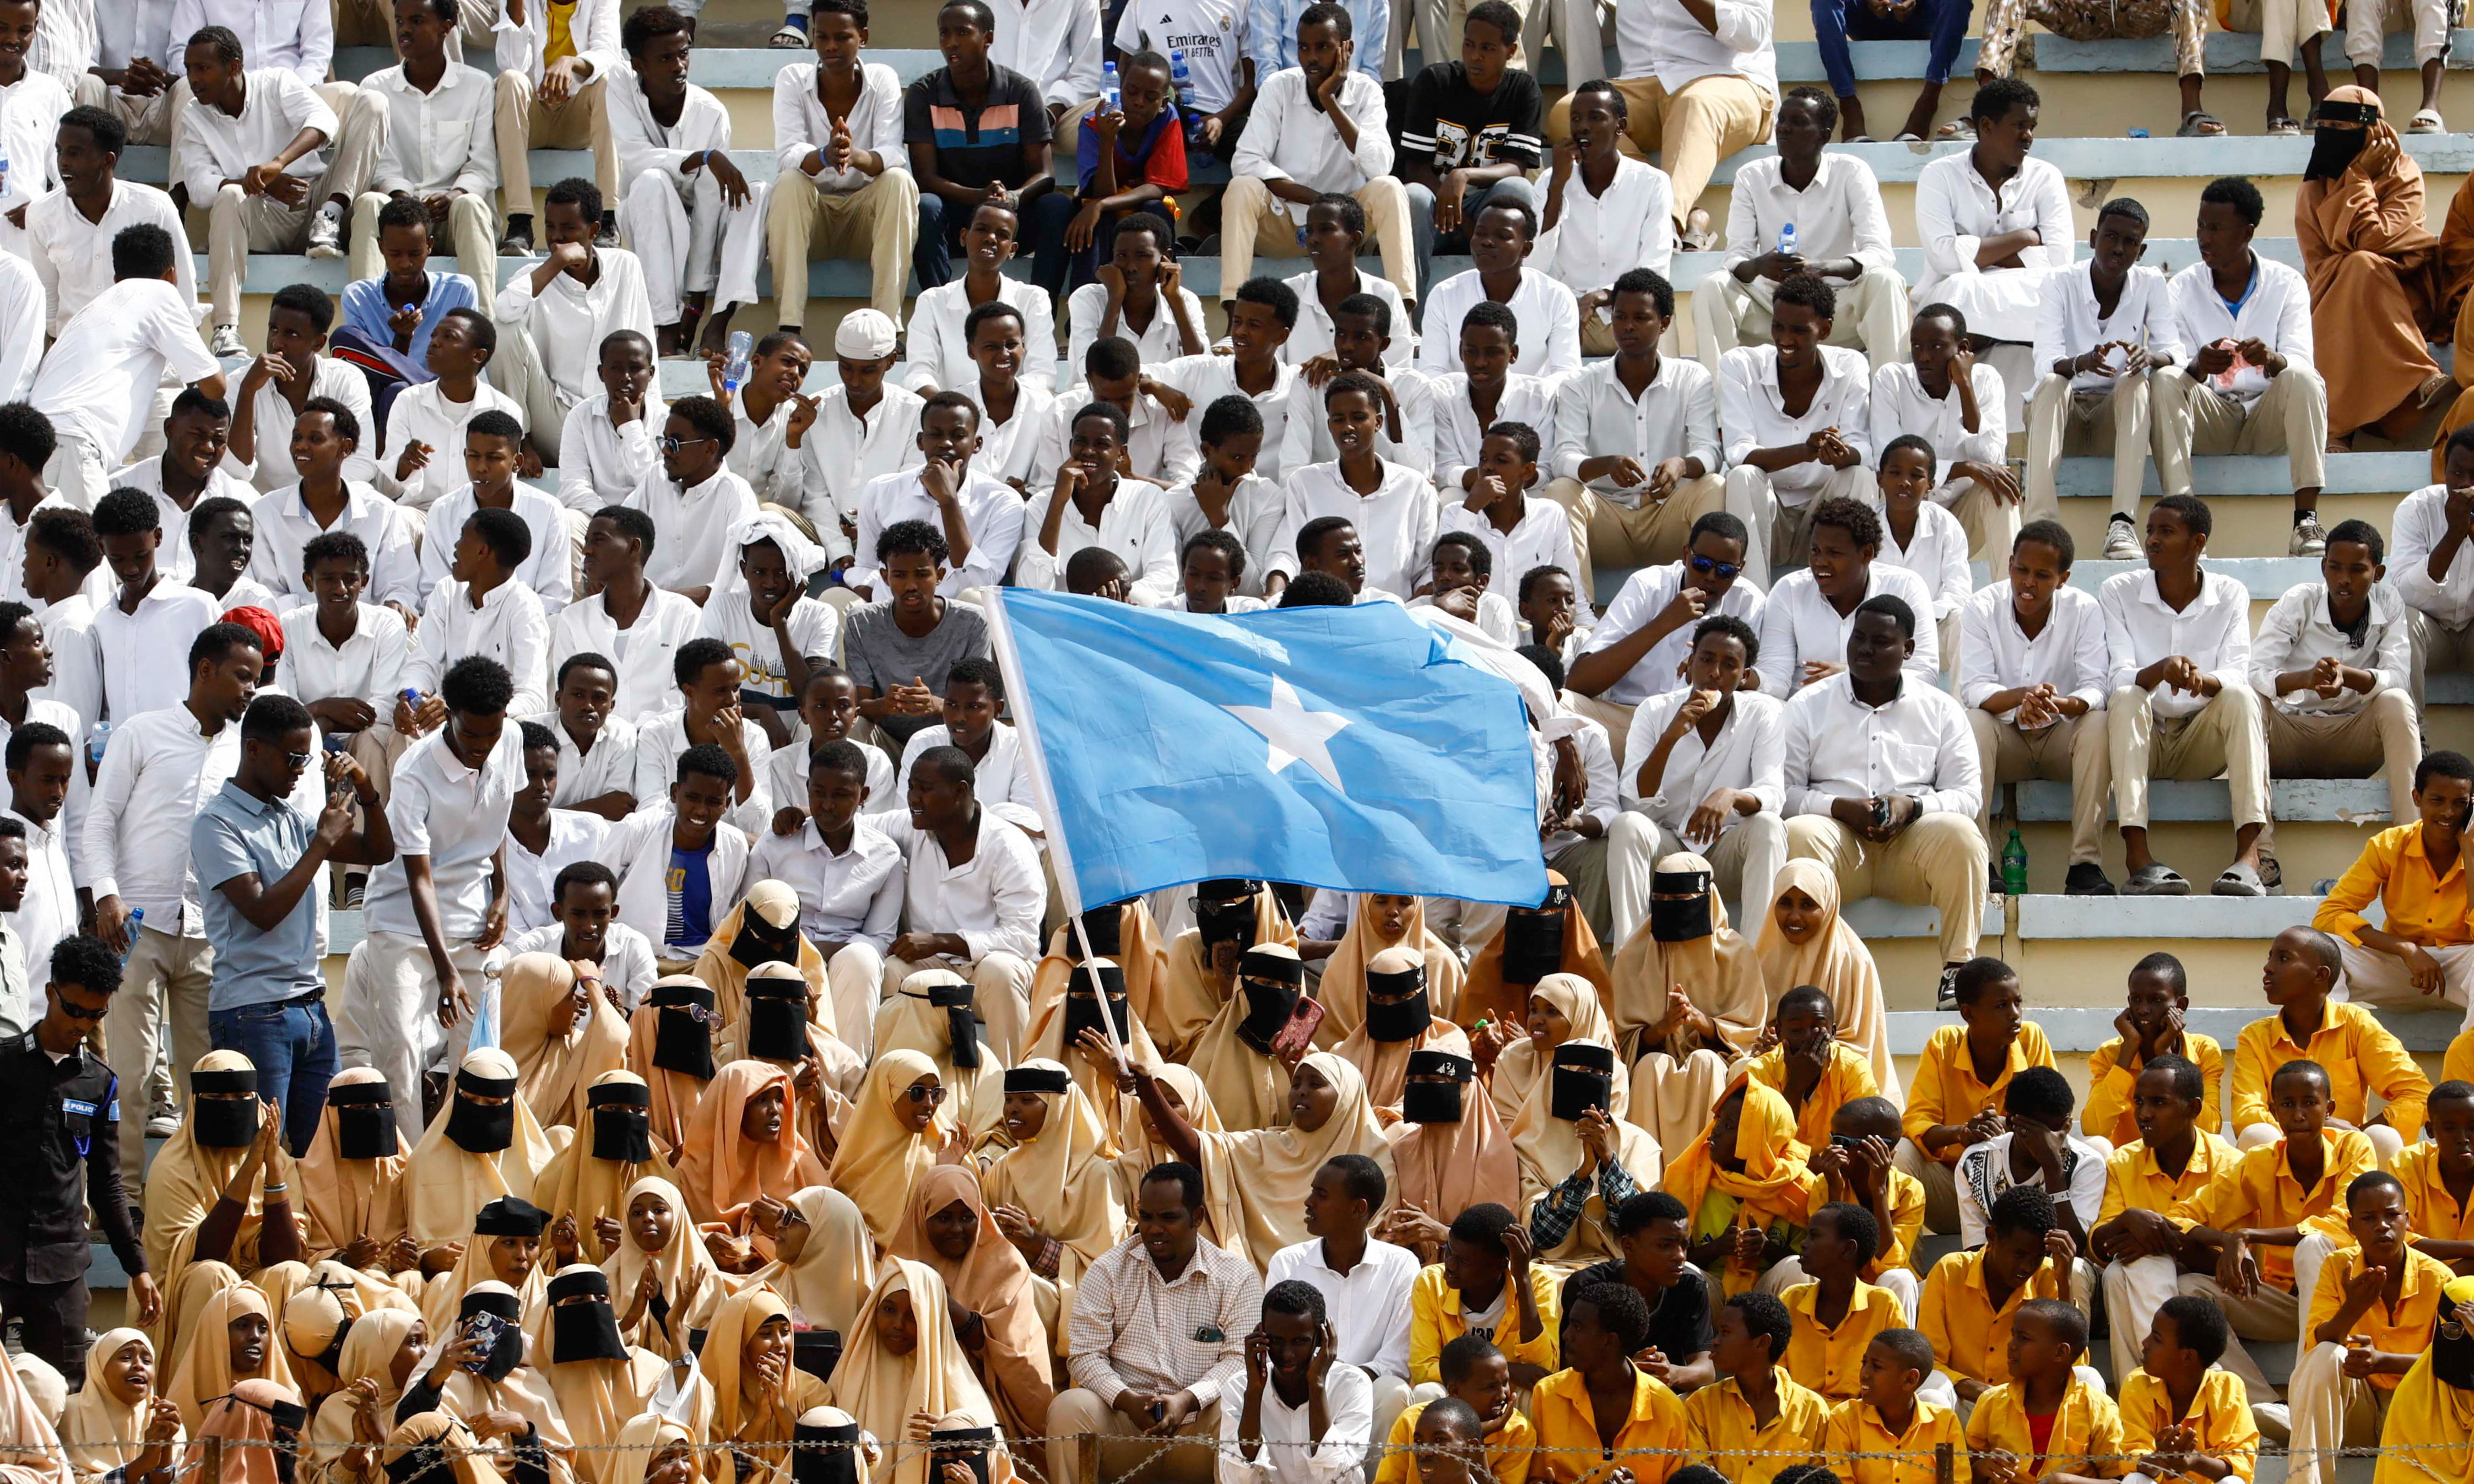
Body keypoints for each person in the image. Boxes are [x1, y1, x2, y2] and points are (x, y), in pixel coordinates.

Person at [82, 621, 262, 1191]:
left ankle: (202, 1197)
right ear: (204, 670)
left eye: (256, 680)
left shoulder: (244, 748)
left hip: (212, 935)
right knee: (129, 1077)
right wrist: (106, 895)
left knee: (206, 1078)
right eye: (241, 676)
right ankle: (123, 1198)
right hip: (133, 929)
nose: (249, 691)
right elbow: (99, 822)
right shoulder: (143, 733)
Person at [196, 692, 393, 1154]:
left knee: (320, 1154)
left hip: (311, 1009)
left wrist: (365, 789)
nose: (301, 769)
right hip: (252, 1012)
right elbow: (263, 912)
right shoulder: (216, 824)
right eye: (292, 758)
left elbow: (379, 852)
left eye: (307, 757)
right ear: (254, 750)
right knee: (251, 1156)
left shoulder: (290, 817)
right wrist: (322, 844)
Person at [335, 656, 519, 1143]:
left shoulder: (513, 739)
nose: (483, 747)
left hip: (474, 920)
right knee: (399, 1051)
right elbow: (419, 878)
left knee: (477, 1052)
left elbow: (496, 819)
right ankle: (407, 1168)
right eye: (471, 735)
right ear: (448, 716)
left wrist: (501, 894)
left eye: (492, 734)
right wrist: (445, 969)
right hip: (402, 923)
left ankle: (455, 1159)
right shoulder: (415, 770)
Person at [1779, 594, 1981, 1001]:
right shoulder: (1806, 706)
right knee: (1796, 832)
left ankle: (1958, 974)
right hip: (1838, 846)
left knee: (1961, 833)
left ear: (1908, 649)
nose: (1865, 649)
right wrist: (1838, 808)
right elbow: (1780, 793)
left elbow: (1967, 795)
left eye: (1881, 641)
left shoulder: (1941, 709)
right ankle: (1807, 980)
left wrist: (1913, 806)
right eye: (1858, 638)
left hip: (1910, 852)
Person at [2146, 1058, 2370, 1405]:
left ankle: (2307, 1394)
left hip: (2344, 1303)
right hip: (2281, 1301)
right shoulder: (2260, 1161)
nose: (2298, 1114)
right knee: (2189, 1290)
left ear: (2330, 1109)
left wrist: (2248, 1236)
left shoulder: (2354, 1149)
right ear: (2273, 1111)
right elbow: (2181, 1216)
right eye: (2288, 1104)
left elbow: (2342, 1224)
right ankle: (2264, 1403)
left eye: (2310, 1103)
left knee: (2313, 1246)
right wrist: (2225, 1240)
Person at [0, 934, 156, 1385]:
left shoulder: (100, 1083)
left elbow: (107, 1183)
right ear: (51, 993)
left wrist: (137, 1268)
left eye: (97, 1015)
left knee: (65, 1388)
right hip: (2, 1255)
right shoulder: (5, 1066)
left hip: (62, 1263)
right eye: (74, 1010)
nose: (82, 1025)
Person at [1047, 1161, 1263, 1484]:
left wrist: (1187, 1399)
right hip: (1125, 1426)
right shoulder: (1109, 1270)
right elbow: (1085, 1355)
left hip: (1197, 1431)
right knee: (1069, 1407)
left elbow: (1239, 1361)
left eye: (1168, 1218)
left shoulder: (1235, 1276)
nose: (1154, 1229)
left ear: (1198, 1218)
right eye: (1146, 1217)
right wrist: (1127, 1400)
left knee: (1237, 1409)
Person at [176, 26, 384, 358]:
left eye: (203, 68)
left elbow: (324, 120)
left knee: (374, 103)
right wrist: (262, 182)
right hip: (263, 217)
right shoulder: (193, 115)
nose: (194, 78)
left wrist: (279, 163)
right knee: (228, 197)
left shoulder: (275, 82)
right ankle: (225, 330)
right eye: (189, 69)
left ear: (234, 67)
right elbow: (200, 188)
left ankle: (330, 217)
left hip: (316, 200)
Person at [2101, 495, 2272, 897]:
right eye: (2149, 531)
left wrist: (2199, 681)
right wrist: (2162, 669)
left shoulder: (2230, 593)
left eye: (2165, 532)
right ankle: (2138, 859)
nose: (2151, 541)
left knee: (2243, 698)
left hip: (2201, 740)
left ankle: (2249, 859)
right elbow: (2116, 675)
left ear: (2197, 543)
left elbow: (2235, 670)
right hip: (2144, 740)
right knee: (2126, 696)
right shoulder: (2118, 590)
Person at [2156, 176, 2329, 556]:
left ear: (2247, 232)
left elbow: (2299, 359)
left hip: (2267, 421)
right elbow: (2174, 359)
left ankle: (2305, 521)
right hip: (2211, 418)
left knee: (2303, 378)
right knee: (2167, 378)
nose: (2204, 237)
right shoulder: (2181, 288)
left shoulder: (2286, 284)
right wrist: (2199, 364)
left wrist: (2271, 360)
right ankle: (2181, 519)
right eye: (2201, 225)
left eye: (2216, 228)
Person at [1219, 4, 1414, 313]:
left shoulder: (1368, 93)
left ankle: (1404, 315)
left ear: (1347, 48)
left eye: (1323, 47)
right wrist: (1321, 202)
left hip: (1345, 232)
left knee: (1390, 187)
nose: (1311, 58)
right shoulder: (1278, 87)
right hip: (1285, 223)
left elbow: (1379, 166)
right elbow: (1246, 160)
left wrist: (1330, 101)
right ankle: (1233, 316)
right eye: (1304, 47)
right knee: (1242, 186)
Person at [1697, 90, 1902, 371]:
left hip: (1836, 312)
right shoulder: (1751, 176)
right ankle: (1720, 408)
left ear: (1824, 135)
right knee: (1712, 286)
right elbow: (1736, 258)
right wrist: (1760, 265)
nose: (1784, 128)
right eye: (1782, 120)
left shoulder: (1852, 172)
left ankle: (1891, 404)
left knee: (1886, 281)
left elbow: (1880, 253)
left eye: (1798, 121)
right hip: (1773, 313)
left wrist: (1822, 268)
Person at [25, 224, 225, 512]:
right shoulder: (161, 293)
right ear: (172, 274)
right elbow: (215, 386)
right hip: (73, 444)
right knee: (90, 554)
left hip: (38, 443)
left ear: (117, 277)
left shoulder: (95, 309)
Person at [1958, 520, 2109, 895]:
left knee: (2099, 724)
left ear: (2063, 578)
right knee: (1973, 722)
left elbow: (2096, 687)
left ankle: (2084, 866)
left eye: (2042, 575)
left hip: (2061, 737)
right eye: (2021, 570)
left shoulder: (2084, 610)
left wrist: (2055, 705)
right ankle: (1980, 861)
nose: (2028, 583)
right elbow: (1973, 687)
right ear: (2009, 564)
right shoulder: (1981, 607)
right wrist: (2022, 698)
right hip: (2006, 737)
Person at [2299, 89, 2453, 451]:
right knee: (2355, 270)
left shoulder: (2404, 172)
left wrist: (2357, 180)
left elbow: (2374, 238)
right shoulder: (2314, 183)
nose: (2328, 133)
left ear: (2372, 131)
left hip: (2402, 298)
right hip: (2332, 291)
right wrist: (2360, 177)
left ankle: (2336, 430)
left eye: (2339, 125)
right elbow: (2319, 261)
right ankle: (2418, 376)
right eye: (2323, 125)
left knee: (2360, 264)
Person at [608, 6, 764, 358]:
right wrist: (704, 157)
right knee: (651, 181)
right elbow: (635, 156)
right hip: (647, 217)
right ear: (639, 65)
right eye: (665, 58)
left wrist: (695, 306)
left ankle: (716, 322)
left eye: (684, 54)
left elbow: (710, 206)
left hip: (701, 227)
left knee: (759, 194)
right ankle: (664, 325)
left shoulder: (711, 113)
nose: (679, 65)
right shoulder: (621, 89)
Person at [2023, 199, 2180, 540]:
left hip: (2116, 416)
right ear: (2094, 238)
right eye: (2111, 237)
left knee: (2137, 383)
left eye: (2131, 242)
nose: (2119, 249)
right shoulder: (2059, 282)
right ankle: (2040, 526)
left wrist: (2150, 357)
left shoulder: (2151, 282)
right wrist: (2083, 362)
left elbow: (2174, 350)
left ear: (2142, 251)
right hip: (2065, 415)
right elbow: (2045, 362)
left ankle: (2122, 525)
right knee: (2052, 384)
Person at [2280, 1171, 2450, 1484]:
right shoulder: (2338, 1266)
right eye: (2369, 1218)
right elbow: (2319, 1342)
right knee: (2326, 1356)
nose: (2382, 1226)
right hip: (2359, 1410)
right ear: (2352, 1227)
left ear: (2408, 1221)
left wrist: (2383, 1362)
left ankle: (2285, 1421)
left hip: (2415, 1411)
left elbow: (2451, 1363)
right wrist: (2354, 1307)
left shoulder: (2438, 1279)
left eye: (2392, 1216)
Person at [767, 0, 916, 335]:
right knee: (790, 182)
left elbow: (892, 151)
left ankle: (887, 329)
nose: (830, 47)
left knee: (899, 181)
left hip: (865, 218)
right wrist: (825, 156)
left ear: (863, 37)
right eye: (821, 37)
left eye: (842, 37)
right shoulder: (792, 78)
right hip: (814, 218)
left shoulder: (883, 78)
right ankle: (789, 329)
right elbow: (788, 155)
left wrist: (853, 155)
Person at [1718, 279, 1874, 588]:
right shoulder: (1740, 365)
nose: (1785, 339)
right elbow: (1738, 452)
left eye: (1800, 331)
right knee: (1744, 476)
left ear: (1826, 331)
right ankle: (1751, 606)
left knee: (1860, 475)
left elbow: (1863, 449)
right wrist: (1804, 451)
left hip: (1823, 520)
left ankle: (1849, 595)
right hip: (1765, 516)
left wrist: (1841, 454)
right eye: (1779, 327)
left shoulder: (1851, 365)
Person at [348, 0, 499, 319]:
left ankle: (481, 330)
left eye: (417, 21)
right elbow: (381, 165)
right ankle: (365, 333)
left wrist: (454, 195)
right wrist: (405, 202)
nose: (404, 30)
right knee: (368, 203)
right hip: (398, 215)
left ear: (447, 27)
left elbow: (482, 166)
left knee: (471, 204)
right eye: (400, 21)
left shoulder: (478, 85)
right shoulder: (375, 87)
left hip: (452, 216)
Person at [490, 180, 657, 465]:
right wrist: (556, 264)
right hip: (555, 419)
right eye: (550, 227)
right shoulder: (535, 277)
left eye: (568, 229)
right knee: (504, 330)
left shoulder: (625, 267)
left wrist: (643, 427)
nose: (556, 238)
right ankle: (519, 443)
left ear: (593, 230)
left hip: (612, 420)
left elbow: (645, 345)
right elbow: (502, 313)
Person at [1909, 80, 2070, 364]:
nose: (2029, 136)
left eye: (2033, 127)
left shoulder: (2046, 177)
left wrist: (1972, 253)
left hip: (2029, 300)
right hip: (1960, 298)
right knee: (1959, 290)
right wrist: (2025, 238)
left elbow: (2059, 259)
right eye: (2020, 126)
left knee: (2061, 299)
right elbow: (1943, 258)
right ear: (1986, 126)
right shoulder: (1940, 176)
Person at [2232, 925, 2428, 1157]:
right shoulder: (2254, 1037)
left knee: (2384, 1138)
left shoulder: (2355, 1023)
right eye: (2271, 958)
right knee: (2258, 1134)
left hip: (2349, 1155)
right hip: (2285, 1153)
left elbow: (2417, 1092)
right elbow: (2247, 1113)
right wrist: (2314, 1130)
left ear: (2321, 975)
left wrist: (2357, 1137)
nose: (2268, 967)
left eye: (2284, 958)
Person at [901, 1, 1053, 293]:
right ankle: (937, 304)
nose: (951, 43)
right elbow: (925, 178)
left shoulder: (1021, 91)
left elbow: (1046, 174)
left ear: (988, 38)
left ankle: (1043, 308)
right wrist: (978, 197)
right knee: (925, 205)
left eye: (963, 32)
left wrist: (1013, 197)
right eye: (944, 33)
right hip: (956, 219)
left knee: (1056, 206)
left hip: (1011, 218)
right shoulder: (924, 94)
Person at [1264, 1155, 1417, 1442]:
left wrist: (1342, 1386)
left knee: (1394, 1392)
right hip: (1299, 1389)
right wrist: (1316, 1383)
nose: (1309, 1202)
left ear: (1358, 1209)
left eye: (1321, 1195)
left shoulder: (1401, 1265)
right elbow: (1274, 1344)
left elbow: (1397, 1358)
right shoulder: (1287, 1263)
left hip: (1371, 1391)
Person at [1898, 957, 2055, 1232]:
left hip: (2023, 1192)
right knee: (1900, 1153)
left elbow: (2054, 1119)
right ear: (1968, 1014)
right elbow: (1916, 1122)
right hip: (1956, 1191)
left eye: (2018, 1002)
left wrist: (2008, 1128)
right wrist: (1962, 1134)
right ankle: (1900, 1272)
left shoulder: (2032, 1039)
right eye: (2001, 1006)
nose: (2015, 1014)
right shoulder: (1944, 1045)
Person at [1397, 4, 1539, 303]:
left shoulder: (1522, 89)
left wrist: (1464, 175)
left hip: (1487, 214)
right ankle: (1414, 315)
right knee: (1413, 196)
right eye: (1469, 44)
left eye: (1487, 48)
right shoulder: (1435, 81)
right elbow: (1416, 168)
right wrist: (1459, 216)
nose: (1475, 56)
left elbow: (1516, 166)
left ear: (1510, 50)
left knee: (1518, 189)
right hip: (1438, 212)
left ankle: (1511, 305)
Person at [2316, 750, 2474, 1009]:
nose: (2449, 813)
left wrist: (2470, 852)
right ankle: (2328, 1045)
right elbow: (2329, 915)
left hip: (2462, 974)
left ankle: (2465, 1052)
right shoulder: (2389, 845)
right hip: (2401, 970)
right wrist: (2405, 949)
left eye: (2460, 803)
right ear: (2417, 797)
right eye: (2437, 800)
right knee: (2319, 949)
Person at [24, 105, 196, 339]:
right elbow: (49, 301)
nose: (63, 162)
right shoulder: (41, 214)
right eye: (60, 151)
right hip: (75, 354)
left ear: (107, 160)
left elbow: (184, 290)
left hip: (144, 353)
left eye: (75, 153)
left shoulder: (155, 207)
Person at [1536, 83, 1672, 359]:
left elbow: (1655, 268)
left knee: (1650, 320)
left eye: (1595, 117)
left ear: (1620, 126)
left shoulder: (1652, 183)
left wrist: (1604, 295)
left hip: (1627, 313)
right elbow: (1534, 264)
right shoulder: (1551, 181)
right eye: (1576, 119)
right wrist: (1558, 187)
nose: (1582, 127)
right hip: (1567, 314)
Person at [1953, 1068, 2107, 1312]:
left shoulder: (2087, 1163)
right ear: (2013, 1121)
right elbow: (1976, 1249)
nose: (2054, 1139)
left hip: (2063, 1273)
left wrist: (2053, 1168)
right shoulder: (1976, 1161)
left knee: (2074, 1270)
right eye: (2042, 1131)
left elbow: (2074, 1248)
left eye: (2062, 1128)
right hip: (2000, 1269)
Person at [1156, 278, 1317, 489]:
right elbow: (1122, 371)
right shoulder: (1199, 371)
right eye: (1237, 321)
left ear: (1281, 336)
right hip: (1197, 506)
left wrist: (1336, 357)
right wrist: (1154, 386)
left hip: (1271, 510)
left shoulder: (1301, 384)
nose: (1241, 331)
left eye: (1254, 325)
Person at [1916, 1185, 2066, 1408]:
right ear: (1991, 1236)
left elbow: (2068, 1366)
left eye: (2038, 1257)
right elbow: (1929, 1362)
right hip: (1964, 1401)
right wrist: (1981, 1391)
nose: (2027, 1267)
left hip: (2023, 1408)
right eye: (2019, 1254)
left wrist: (2066, 1282)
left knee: (2087, 1377)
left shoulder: (2048, 1276)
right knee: (1931, 1393)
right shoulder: (1950, 1271)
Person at [490, 0, 619, 257]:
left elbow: (609, 54)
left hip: (576, 120)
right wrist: (516, 9)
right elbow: (512, 63)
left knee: (609, 82)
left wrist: (570, 62)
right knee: (510, 81)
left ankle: (608, 220)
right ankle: (520, 222)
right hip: (532, 118)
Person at [1527, 1282, 1690, 1484]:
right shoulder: (1548, 1393)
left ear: (1610, 1341)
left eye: (1578, 1327)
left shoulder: (1666, 1408)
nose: (1567, 1335)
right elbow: (1536, 1476)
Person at [339, 198, 486, 419]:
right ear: (381, 247)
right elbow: (367, 377)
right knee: (344, 338)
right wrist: (401, 339)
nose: (405, 264)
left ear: (430, 246)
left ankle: (427, 387)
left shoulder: (459, 290)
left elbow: (463, 364)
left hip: (448, 397)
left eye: (415, 254)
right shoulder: (358, 297)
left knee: (398, 391)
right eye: (395, 254)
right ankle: (425, 385)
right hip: (382, 401)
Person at [370, 310, 526, 517]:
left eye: (449, 337)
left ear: (478, 356)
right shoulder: (408, 401)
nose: (434, 343)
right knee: (398, 519)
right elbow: (385, 490)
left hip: (479, 518)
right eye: (434, 335)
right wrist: (404, 465)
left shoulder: (505, 410)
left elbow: (505, 487)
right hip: (421, 515)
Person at [1419, 205, 1579, 383]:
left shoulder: (1556, 297)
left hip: (1533, 405)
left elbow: (1567, 374)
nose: (1487, 242)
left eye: (1503, 236)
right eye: (1480, 233)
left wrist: (1522, 399)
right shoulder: (1444, 295)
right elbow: (1432, 371)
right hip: (1457, 405)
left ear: (1526, 249)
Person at [1961, 1301, 2122, 1475]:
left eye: (2024, 1338)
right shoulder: (1991, 1403)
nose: (2011, 1345)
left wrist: (2067, 1481)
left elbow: (2118, 1478)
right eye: (2014, 1335)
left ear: (2060, 1353)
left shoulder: (2098, 1409)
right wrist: (1982, 1468)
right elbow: (1967, 1472)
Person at [1682, 1292, 1828, 1480]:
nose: (1715, 1341)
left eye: (1726, 1332)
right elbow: (1700, 1477)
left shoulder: (1812, 1411)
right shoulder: (1701, 1405)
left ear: (1762, 1343)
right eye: (1718, 1332)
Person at [2083, 957, 2223, 1151]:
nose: (2143, 1010)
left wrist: (2167, 1058)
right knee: (2095, 1146)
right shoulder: (2110, 1054)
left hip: (2184, 1166)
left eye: (2156, 1000)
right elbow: (2093, 1128)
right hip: (2129, 1167)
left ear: (2180, 1005)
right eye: (2136, 1000)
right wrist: (2127, 1052)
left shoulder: (2204, 1050)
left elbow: (2210, 1129)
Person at [1820, 1329, 1962, 1484]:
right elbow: (1840, 1480)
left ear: (1909, 1379)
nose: (1864, 1374)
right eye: (1864, 1363)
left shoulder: (1944, 1423)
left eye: (1877, 1367)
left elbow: (1956, 1481)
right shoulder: (1845, 1419)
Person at [557, 332, 666, 518]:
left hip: (650, 520)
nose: (625, 377)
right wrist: (610, 520)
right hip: (596, 518)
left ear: (651, 374)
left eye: (635, 368)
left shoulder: (668, 420)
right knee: (569, 522)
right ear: (601, 373)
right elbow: (573, 488)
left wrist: (631, 427)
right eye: (616, 368)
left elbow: (659, 491)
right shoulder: (581, 416)